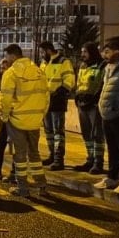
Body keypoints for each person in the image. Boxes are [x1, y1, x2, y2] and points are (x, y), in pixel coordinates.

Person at [0, 44, 48, 197]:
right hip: (34, 120)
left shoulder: (11, 73)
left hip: (17, 120)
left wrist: (4, 116)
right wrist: (40, 115)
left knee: (20, 155)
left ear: (13, 56)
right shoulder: (39, 71)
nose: (5, 59)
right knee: (34, 153)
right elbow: (46, 96)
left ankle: (23, 188)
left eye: (7, 56)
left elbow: (5, 99)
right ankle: (41, 185)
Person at [94, 38, 119, 194]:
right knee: (112, 148)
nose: (104, 55)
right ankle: (113, 176)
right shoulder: (107, 68)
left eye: (107, 51)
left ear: (117, 51)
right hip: (107, 115)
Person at [38, 41, 75, 171]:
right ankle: (52, 155)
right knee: (48, 131)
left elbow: (69, 81)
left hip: (57, 100)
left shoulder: (63, 62)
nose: (42, 55)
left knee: (58, 131)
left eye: (43, 52)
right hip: (45, 101)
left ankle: (59, 159)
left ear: (49, 50)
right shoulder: (44, 63)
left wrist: (59, 93)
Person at [73, 42, 106, 174]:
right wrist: (77, 96)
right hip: (82, 103)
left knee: (97, 134)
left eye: (85, 52)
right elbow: (79, 83)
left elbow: (102, 83)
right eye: (82, 52)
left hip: (94, 104)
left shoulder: (101, 65)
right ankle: (90, 159)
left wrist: (95, 98)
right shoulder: (83, 66)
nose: (83, 55)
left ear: (92, 52)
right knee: (86, 134)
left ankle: (98, 162)